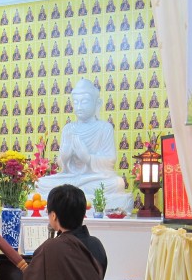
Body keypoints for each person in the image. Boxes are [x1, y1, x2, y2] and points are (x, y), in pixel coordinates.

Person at [36, 78, 134, 211]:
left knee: (117, 183)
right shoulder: (68, 129)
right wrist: (65, 157)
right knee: (42, 183)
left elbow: (110, 160)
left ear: (97, 103)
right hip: (71, 177)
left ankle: (76, 193)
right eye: (76, 102)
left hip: (93, 179)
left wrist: (87, 157)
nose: (79, 106)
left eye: (85, 101)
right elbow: (63, 165)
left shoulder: (104, 128)